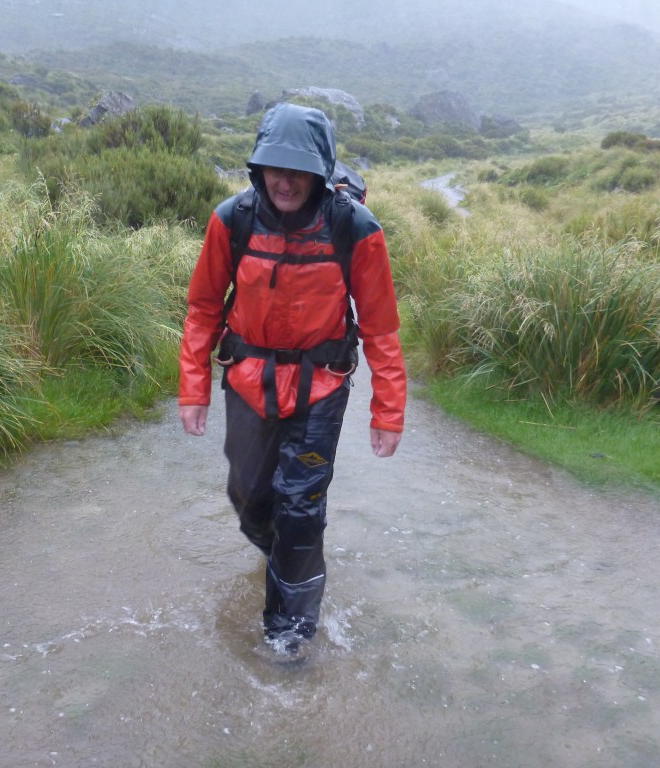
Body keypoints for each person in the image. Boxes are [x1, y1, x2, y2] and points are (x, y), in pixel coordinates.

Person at [178, 103, 406, 655]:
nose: (285, 180)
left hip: (320, 389)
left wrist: (388, 411)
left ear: (320, 172)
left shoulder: (355, 229)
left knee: (301, 509)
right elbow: (203, 308)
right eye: (274, 166)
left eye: (298, 168)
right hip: (249, 384)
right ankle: (283, 557)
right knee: (250, 498)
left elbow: (379, 328)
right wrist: (194, 388)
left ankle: (289, 634)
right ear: (259, 169)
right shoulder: (231, 220)